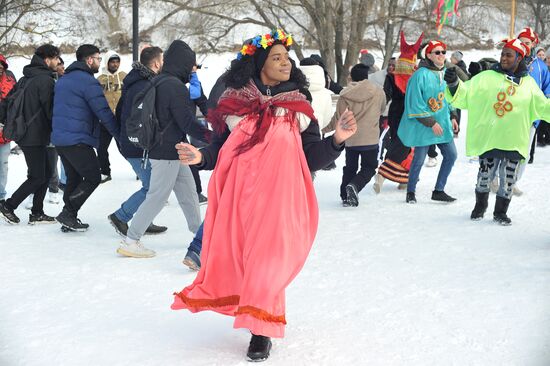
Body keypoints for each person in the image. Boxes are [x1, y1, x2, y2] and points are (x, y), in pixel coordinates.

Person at [170, 29, 357, 362]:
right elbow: (221, 147)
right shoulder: (235, 102)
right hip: (240, 197)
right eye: (277, 57)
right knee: (243, 259)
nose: (285, 62)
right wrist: (201, 157)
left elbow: (311, 155)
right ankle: (249, 308)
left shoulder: (298, 105)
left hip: (281, 199)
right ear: (259, 63)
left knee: (269, 261)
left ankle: (261, 331)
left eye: (287, 58)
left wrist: (337, 140)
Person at [116, 40, 209, 258]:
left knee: (188, 194)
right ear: (183, 63)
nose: (191, 69)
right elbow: (186, 121)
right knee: (157, 196)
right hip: (166, 151)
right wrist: (213, 136)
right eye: (190, 65)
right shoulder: (173, 86)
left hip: (173, 150)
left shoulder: (161, 81)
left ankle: (201, 235)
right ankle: (131, 239)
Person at [445, 38, 550, 225]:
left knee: (508, 179)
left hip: (514, 139)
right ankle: (480, 207)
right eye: (502, 54)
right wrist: (454, 85)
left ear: (519, 58)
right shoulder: (486, 77)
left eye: (509, 55)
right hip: (490, 138)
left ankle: (500, 212)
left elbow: (544, 107)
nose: (504, 58)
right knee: (485, 176)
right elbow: (465, 94)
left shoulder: (528, 85)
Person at [51, 44, 120, 231]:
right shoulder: (88, 82)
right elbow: (103, 111)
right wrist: (119, 134)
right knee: (93, 177)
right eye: (98, 58)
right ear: (89, 60)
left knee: (73, 177)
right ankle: (68, 212)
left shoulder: (64, 80)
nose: (99, 62)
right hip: (77, 138)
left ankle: (69, 219)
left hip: (60, 138)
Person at [107, 46, 168, 237]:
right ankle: (120, 216)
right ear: (156, 63)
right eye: (163, 60)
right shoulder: (143, 86)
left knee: (152, 186)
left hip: (133, 143)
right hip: (136, 145)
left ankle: (145, 219)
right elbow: (140, 118)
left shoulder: (139, 81)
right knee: (152, 188)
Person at [0, 44, 60, 225]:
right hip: (34, 134)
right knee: (37, 176)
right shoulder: (45, 80)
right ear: (47, 59)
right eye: (56, 58)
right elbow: (50, 110)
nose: (58, 62)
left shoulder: (26, 77)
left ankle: (37, 212)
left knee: (47, 171)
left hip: (27, 132)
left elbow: (7, 101)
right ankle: (9, 206)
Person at [397, 40, 458, 204]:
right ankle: (410, 191)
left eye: (443, 52)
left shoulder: (446, 73)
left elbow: (448, 98)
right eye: (437, 52)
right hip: (424, 125)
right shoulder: (419, 75)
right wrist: (431, 122)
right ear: (429, 55)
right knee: (419, 159)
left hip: (443, 123)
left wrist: (453, 115)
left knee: (451, 155)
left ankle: (439, 190)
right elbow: (414, 103)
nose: (441, 55)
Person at [323, 63, 386, 206]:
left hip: (350, 138)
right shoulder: (378, 92)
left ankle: (345, 196)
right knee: (369, 168)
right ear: (367, 76)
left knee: (350, 167)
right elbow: (382, 109)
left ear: (352, 77)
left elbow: (338, 118)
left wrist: (323, 129)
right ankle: (355, 186)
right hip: (370, 138)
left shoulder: (345, 95)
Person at [374, 31, 424, 193]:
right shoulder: (416, 77)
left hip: (395, 114)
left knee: (398, 143)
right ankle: (384, 174)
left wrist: (380, 112)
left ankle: (404, 179)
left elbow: (385, 96)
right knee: (407, 147)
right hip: (411, 114)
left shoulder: (390, 76)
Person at [97, 52, 127, 183]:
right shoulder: (100, 79)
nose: (115, 64)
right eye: (112, 62)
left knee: (125, 147)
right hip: (105, 119)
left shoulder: (125, 77)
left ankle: (139, 169)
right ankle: (105, 172)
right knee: (101, 147)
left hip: (121, 119)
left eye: (117, 61)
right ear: (107, 62)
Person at [0, 54, 17, 205]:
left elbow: (16, 103)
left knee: (2, 165)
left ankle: (0, 194)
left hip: (4, 131)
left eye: (1, 65)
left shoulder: (11, 81)